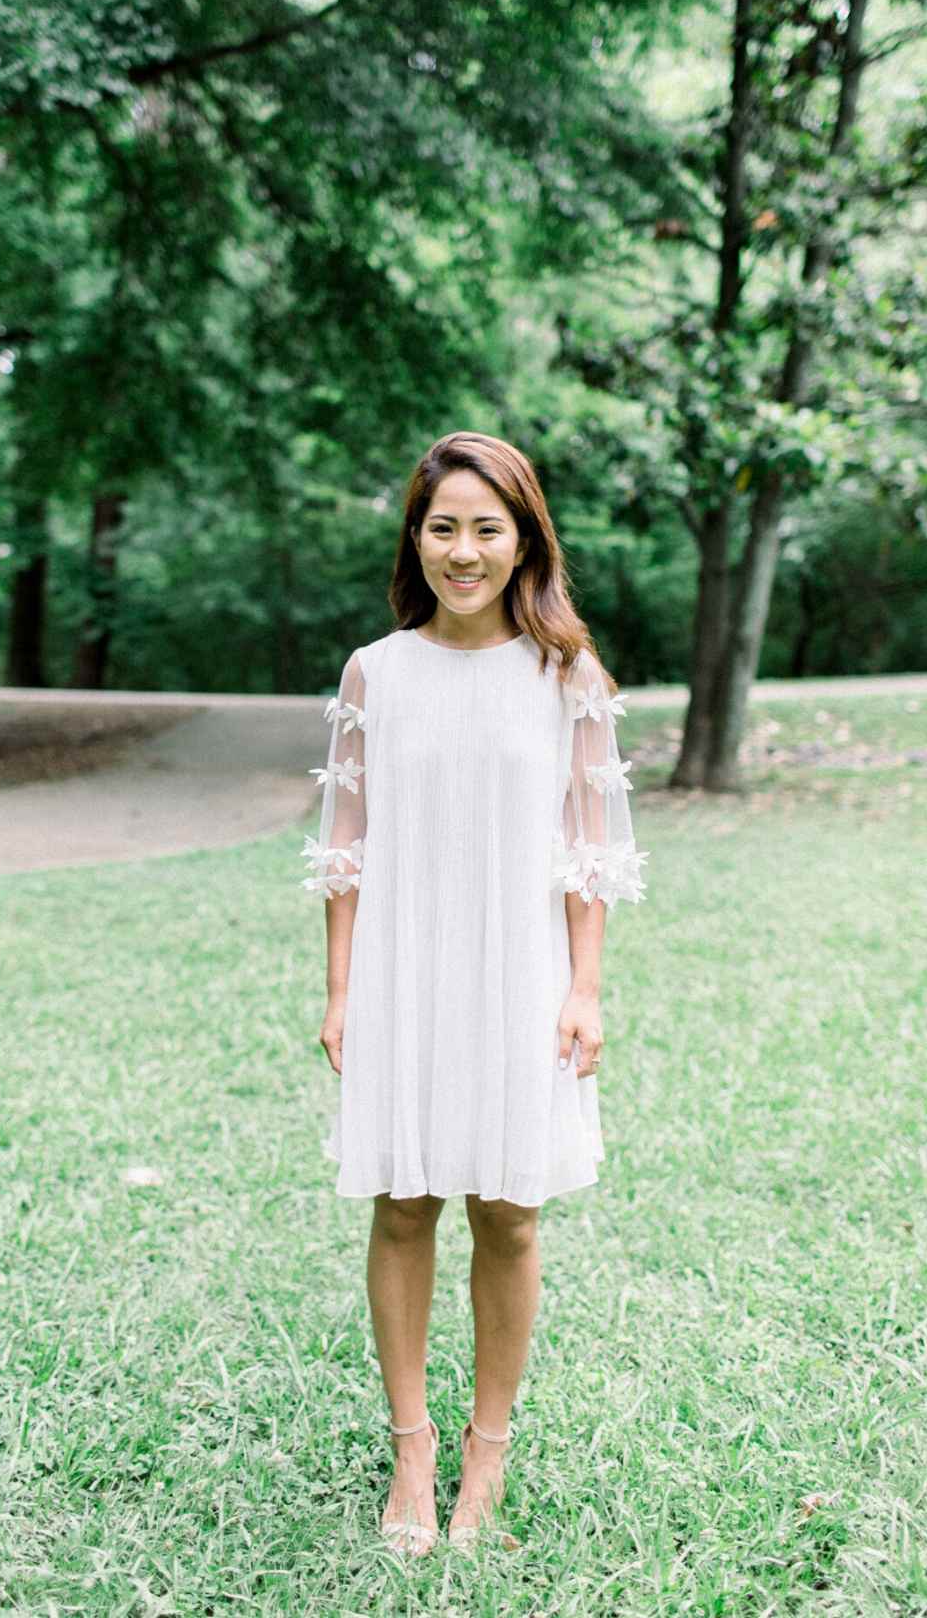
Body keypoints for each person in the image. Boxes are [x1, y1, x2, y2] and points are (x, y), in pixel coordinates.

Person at [300, 430, 647, 1555]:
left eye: (486, 528)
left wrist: (585, 990)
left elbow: (588, 856)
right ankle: (411, 1447)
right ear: (416, 537)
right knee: (402, 1203)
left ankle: (486, 1450)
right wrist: (341, 989)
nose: (464, 550)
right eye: (442, 526)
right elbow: (344, 851)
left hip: (521, 971)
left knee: (510, 1208)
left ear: (524, 538)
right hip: (403, 966)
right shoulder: (374, 673)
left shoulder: (568, 676)